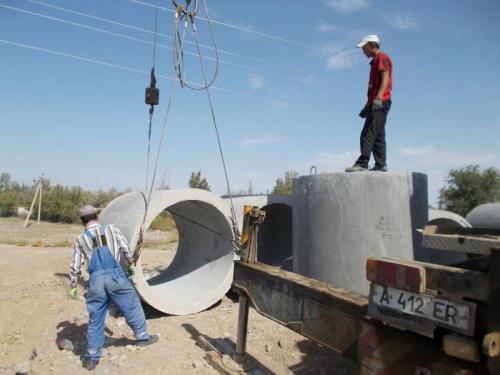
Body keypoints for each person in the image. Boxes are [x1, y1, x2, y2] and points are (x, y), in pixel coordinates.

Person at [70, 205, 159, 370]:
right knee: (131, 305)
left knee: (96, 317)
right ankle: (142, 337)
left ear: (82, 221)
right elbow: (125, 248)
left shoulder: (80, 239)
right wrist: (131, 265)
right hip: (115, 276)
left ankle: (91, 357)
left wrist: (74, 285)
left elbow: (76, 264)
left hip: (96, 280)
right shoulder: (111, 229)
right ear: (97, 216)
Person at [346, 34, 393, 172]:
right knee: (378, 134)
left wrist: (378, 98)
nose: (363, 51)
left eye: (364, 47)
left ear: (372, 45)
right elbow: (374, 86)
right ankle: (380, 164)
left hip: (381, 101)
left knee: (368, 133)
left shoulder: (382, 58)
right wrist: (367, 106)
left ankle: (363, 162)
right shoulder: (374, 62)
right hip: (378, 102)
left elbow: (385, 78)